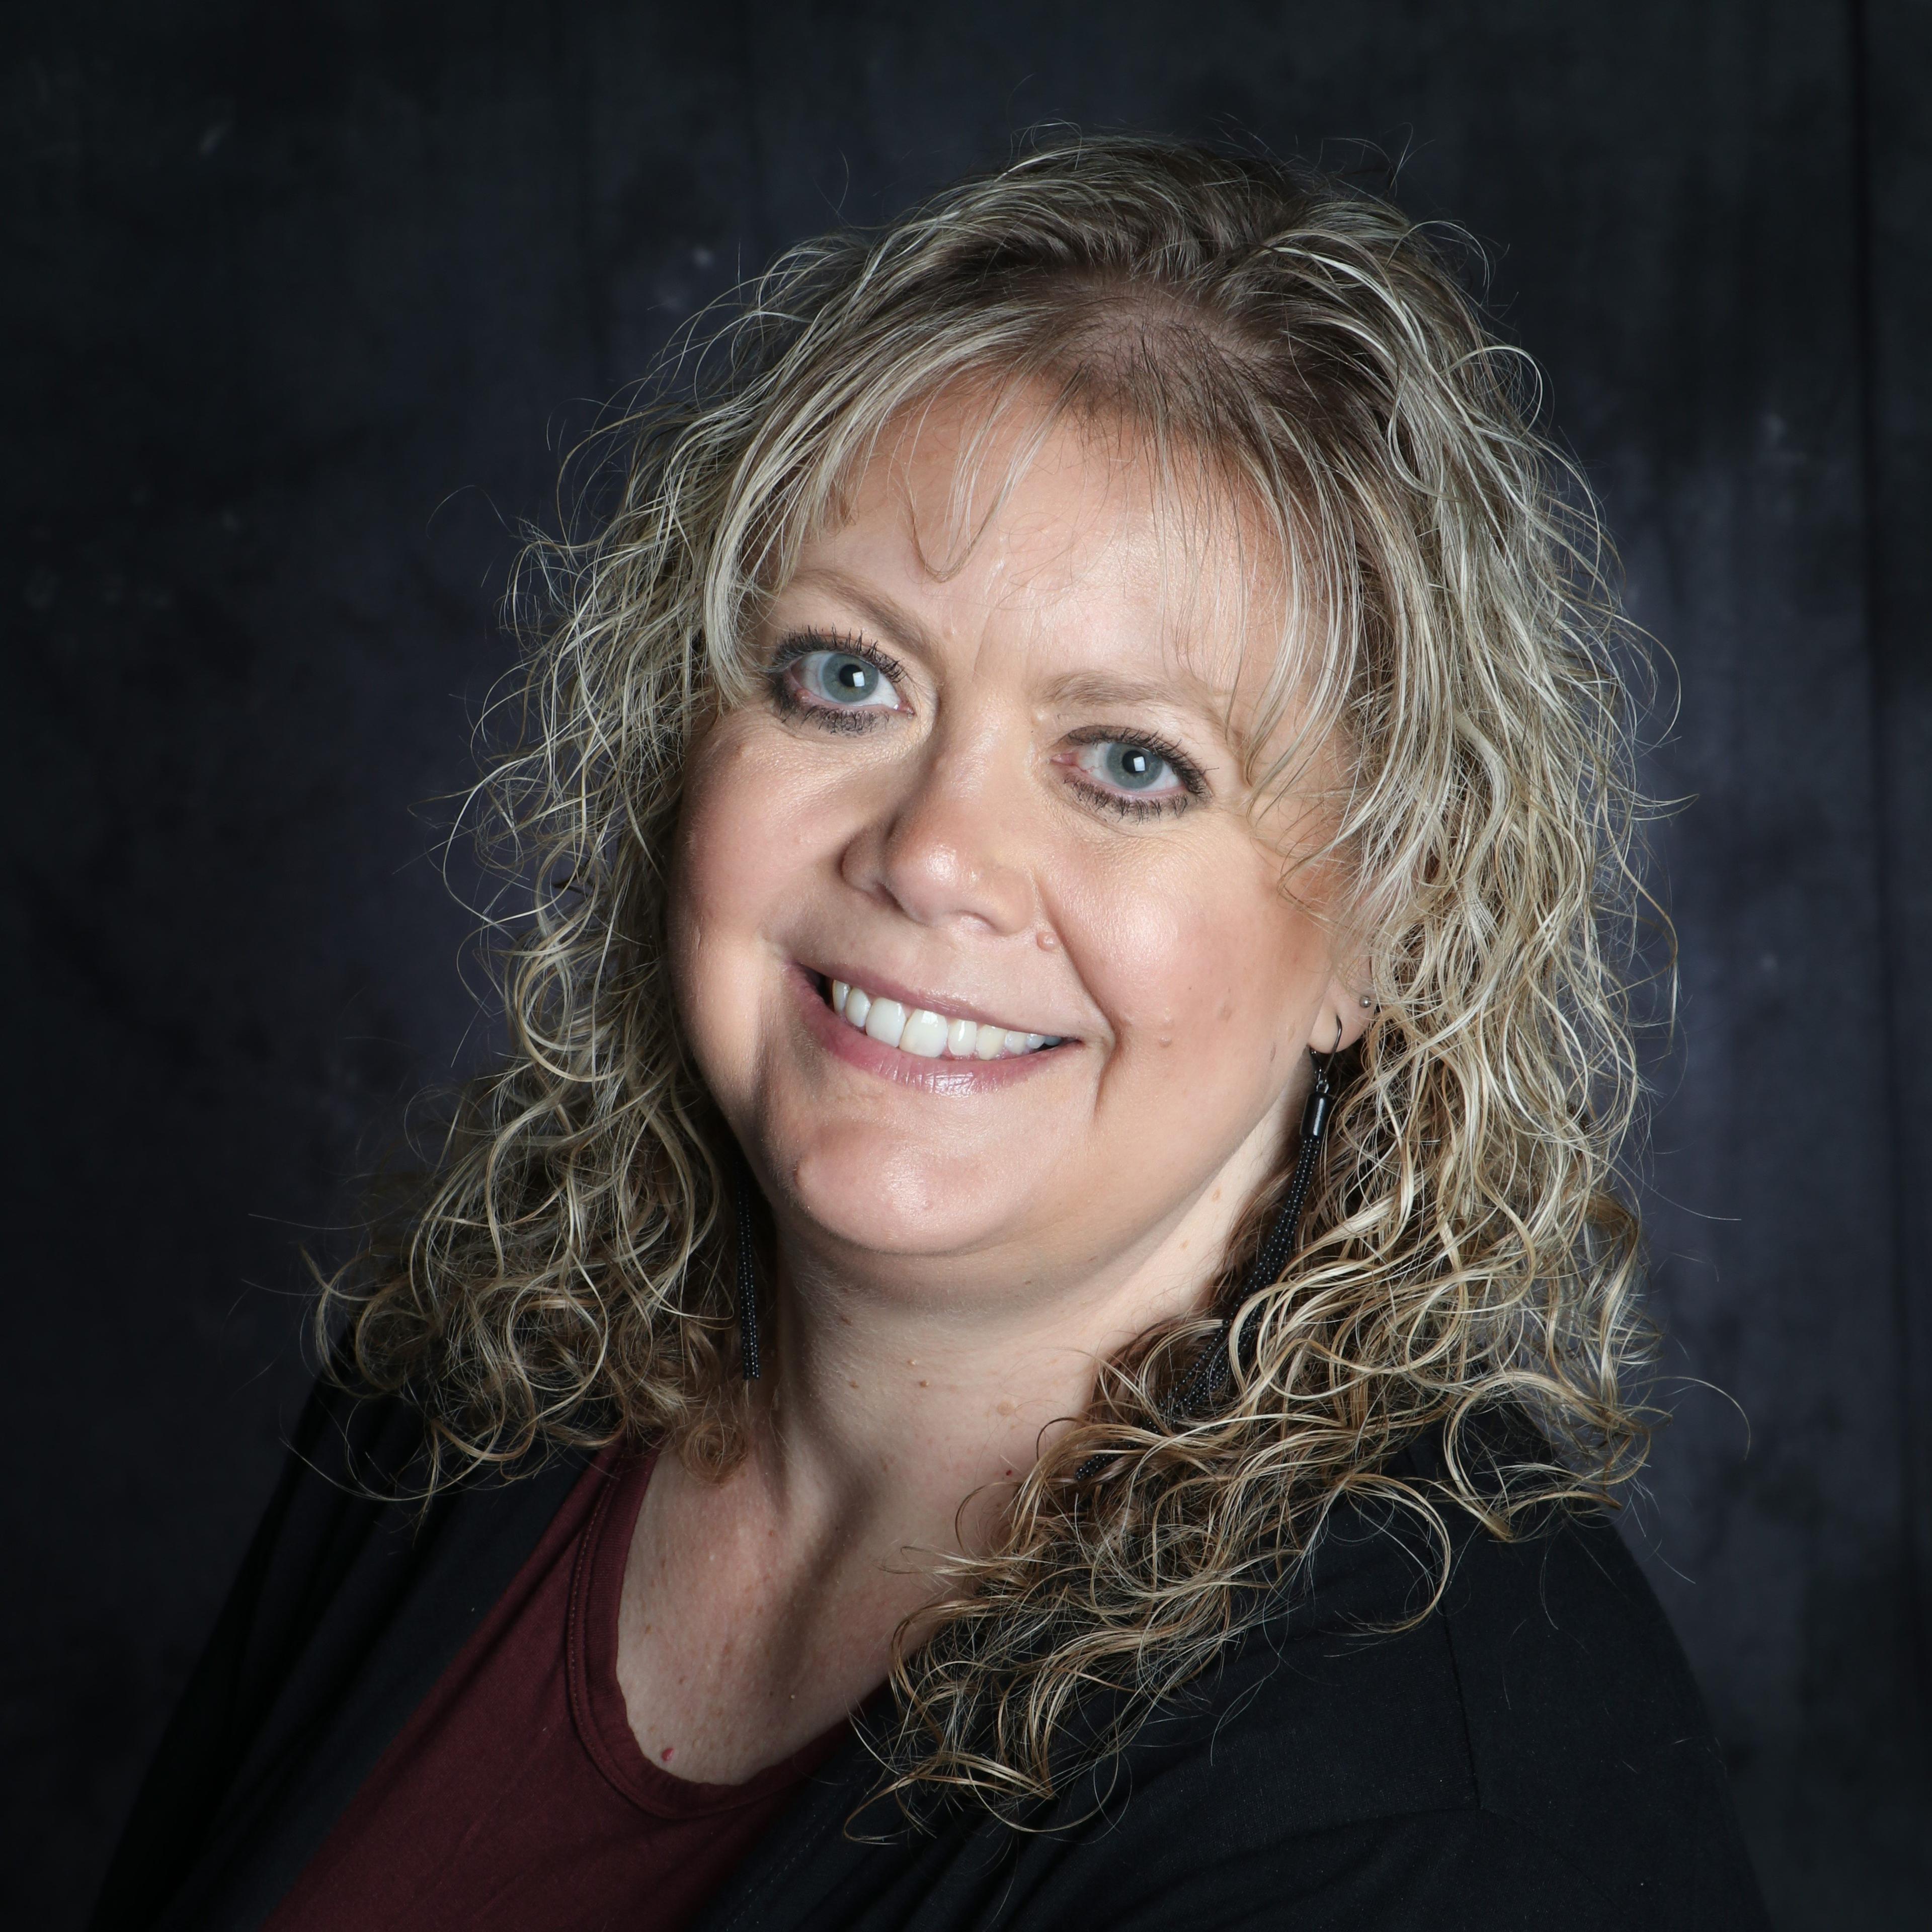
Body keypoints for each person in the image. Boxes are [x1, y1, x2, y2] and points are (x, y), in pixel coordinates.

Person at [91, 135, 1769, 1931]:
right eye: (847, 677)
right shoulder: (470, 1388)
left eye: (1134, 763)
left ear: (1389, 927)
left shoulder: (1449, 1813)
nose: (933, 852)